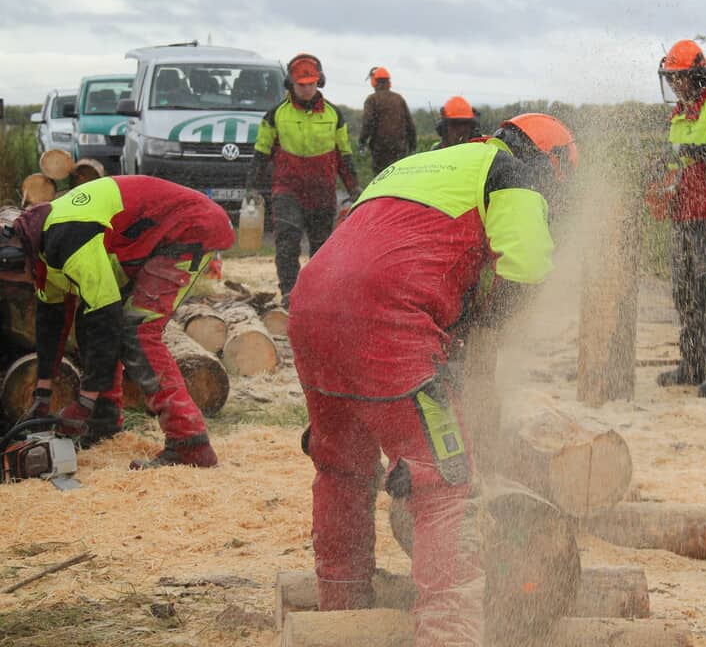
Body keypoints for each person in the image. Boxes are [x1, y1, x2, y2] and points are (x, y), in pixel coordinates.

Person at [287, 114, 577, 646]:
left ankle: (340, 617)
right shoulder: (509, 172)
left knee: (342, 467)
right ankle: (449, 636)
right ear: (549, 163)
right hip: (387, 319)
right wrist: (491, 328)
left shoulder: (417, 165)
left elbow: (399, 250)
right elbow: (531, 266)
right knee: (443, 482)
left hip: (311, 308)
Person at [4, 176, 234, 467]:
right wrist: (42, 393)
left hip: (188, 226)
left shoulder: (67, 236)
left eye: (11, 284)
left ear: (9, 257)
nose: (14, 291)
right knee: (88, 322)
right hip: (144, 239)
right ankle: (105, 423)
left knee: (137, 330)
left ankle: (190, 443)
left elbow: (106, 316)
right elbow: (53, 324)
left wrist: (83, 401)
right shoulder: (40, 248)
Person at [648, 39, 706, 398]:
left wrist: (687, 151)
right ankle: (692, 363)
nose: (674, 84)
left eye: (680, 78)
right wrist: (658, 172)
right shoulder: (677, 116)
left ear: (697, 76)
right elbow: (674, 162)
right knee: (683, 292)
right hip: (682, 212)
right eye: (670, 78)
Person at [246, 53, 361, 306]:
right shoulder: (275, 115)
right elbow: (261, 153)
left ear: (319, 82)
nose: (306, 89)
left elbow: (344, 155)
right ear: (291, 84)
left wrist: (354, 189)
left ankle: (317, 295)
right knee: (287, 242)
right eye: (301, 84)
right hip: (288, 189)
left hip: (323, 191)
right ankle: (289, 292)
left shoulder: (334, 115)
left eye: (311, 83)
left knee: (321, 247)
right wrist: (252, 186)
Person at [360, 66, 417, 173]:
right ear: (389, 82)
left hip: (380, 150)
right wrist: (413, 146)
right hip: (400, 150)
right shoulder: (398, 99)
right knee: (398, 180)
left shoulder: (372, 99)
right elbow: (410, 124)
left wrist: (362, 141)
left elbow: (367, 123)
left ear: (374, 82)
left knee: (381, 180)